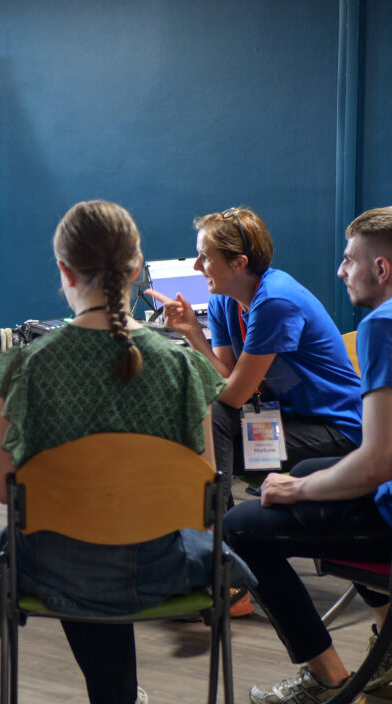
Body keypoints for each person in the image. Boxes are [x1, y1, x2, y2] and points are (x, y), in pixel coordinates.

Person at [0, 200, 254, 704]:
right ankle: (116, 699)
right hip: (159, 567)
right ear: (135, 271)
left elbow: (6, 491)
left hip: (58, 570)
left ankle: (114, 700)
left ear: (64, 271)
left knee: (74, 536)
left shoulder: (30, 366)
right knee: (115, 532)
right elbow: (207, 491)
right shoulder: (179, 365)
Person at [224, 205, 392, 704]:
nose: (340, 271)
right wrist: (309, 482)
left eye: (348, 259)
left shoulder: (389, 324)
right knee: (313, 470)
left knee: (239, 527)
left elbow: (378, 463)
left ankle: (328, 682)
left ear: (381, 269)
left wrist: (297, 493)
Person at [147, 207, 362, 504]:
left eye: (206, 257)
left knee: (204, 437)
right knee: (201, 431)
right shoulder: (222, 300)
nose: (196, 266)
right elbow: (225, 375)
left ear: (239, 263)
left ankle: (221, 535)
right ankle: (224, 533)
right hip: (291, 417)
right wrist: (193, 333)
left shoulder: (275, 301)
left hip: (339, 427)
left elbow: (233, 395)